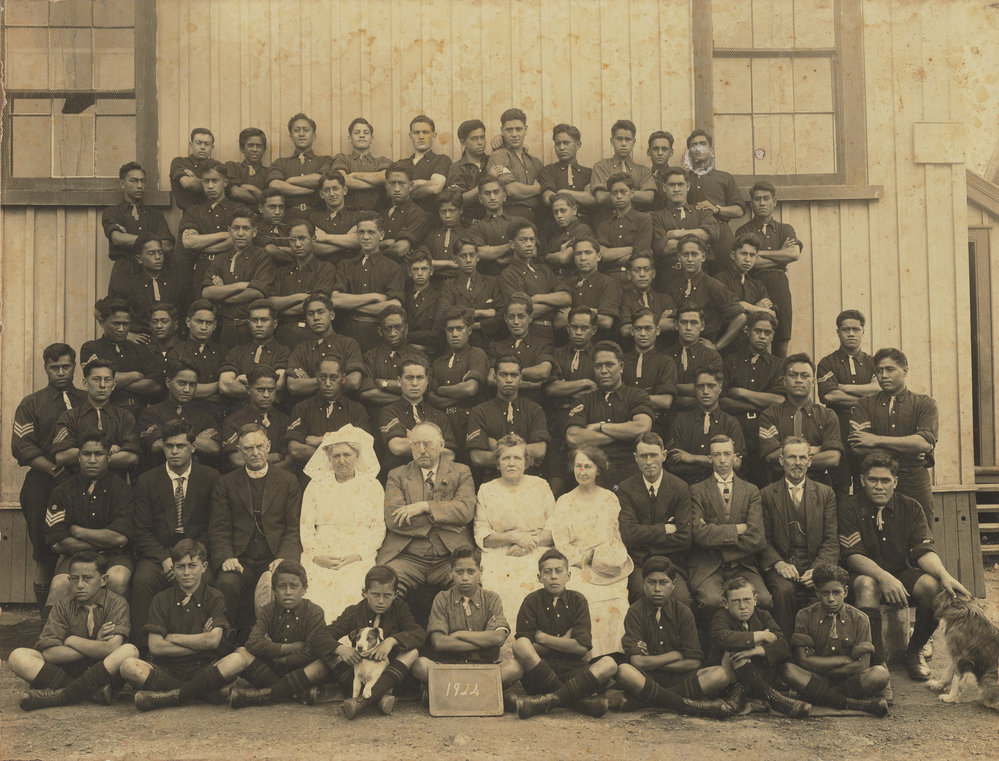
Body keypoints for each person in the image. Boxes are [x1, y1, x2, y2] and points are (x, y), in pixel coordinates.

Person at [838, 451, 969, 681]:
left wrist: (944, 575)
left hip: (900, 574)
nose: (879, 486)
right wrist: (884, 577)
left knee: (933, 586)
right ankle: (876, 661)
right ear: (861, 481)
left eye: (886, 480)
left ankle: (914, 650)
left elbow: (922, 550)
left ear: (895, 482)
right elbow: (852, 556)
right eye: (873, 480)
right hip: (861, 577)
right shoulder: (849, 507)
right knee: (868, 584)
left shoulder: (911, 507)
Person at [120, 538, 245, 711]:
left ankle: (171, 697)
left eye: (192, 565)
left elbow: (213, 642)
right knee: (128, 667)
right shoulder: (161, 599)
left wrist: (173, 637)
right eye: (180, 567)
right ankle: (204, 692)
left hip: (204, 668)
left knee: (237, 660)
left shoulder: (215, 597)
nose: (186, 572)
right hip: (168, 669)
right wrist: (201, 640)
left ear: (204, 567)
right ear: (174, 569)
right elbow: (156, 647)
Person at [131, 419, 220, 649]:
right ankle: (142, 650)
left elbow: (213, 526)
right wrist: (165, 559)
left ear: (193, 447)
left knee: (206, 580)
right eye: (169, 446)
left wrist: (190, 559)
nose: (174, 451)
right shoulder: (147, 480)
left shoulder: (210, 478)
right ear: (162, 446)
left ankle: (201, 649)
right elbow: (141, 530)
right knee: (142, 581)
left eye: (181, 446)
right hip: (160, 552)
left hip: (195, 551)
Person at [11, 343, 86, 617]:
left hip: (81, 483)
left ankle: (78, 617)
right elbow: (22, 446)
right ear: (45, 369)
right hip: (42, 484)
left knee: (80, 547)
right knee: (45, 551)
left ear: (74, 367)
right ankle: (45, 619)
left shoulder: (87, 400)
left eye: (66, 366)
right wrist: (53, 468)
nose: (61, 372)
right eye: (54, 368)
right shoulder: (32, 403)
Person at [209, 423, 303, 640]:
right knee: (226, 583)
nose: (255, 453)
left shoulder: (288, 481)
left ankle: (278, 643)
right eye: (248, 449)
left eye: (260, 446)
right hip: (241, 559)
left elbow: (293, 527)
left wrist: (284, 558)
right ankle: (228, 642)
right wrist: (226, 556)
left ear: (268, 446)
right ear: (240, 451)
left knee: (283, 582)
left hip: (274, 557)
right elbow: (219, 527)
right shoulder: (226, 483)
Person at [10, 551, 136, 711]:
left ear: (103, 580)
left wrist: (72, 640)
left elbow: (111, 648)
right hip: (69, 671)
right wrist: (95, 645)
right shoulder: (63, 606)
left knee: (129, 650)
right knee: (18, 656)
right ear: (69, 580)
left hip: (103, 673)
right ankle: (91, 692)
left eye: (87, 578)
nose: (80, 585)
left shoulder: (117, 603)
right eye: (75, 579)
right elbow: (49, 653)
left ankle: (61, 695)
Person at [614, 556, 733, 717]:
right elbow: (637, 661)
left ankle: (647, 701)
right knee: (624, 671)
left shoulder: (683, 612)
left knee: (720, 675)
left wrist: (653, 660)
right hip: (647, 678)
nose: (657, 588)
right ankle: (690, 706)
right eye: (651, 582)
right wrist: (674, 655)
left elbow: (693, 661)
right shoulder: (635, 611)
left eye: (663, 583)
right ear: (643, 584)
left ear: (674, 585)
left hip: (680, 678)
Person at [377, 422, 476, 612]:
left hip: (450, 556)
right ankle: (392, 637)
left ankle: (453, 638)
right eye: (415, 444)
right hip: (407, 556)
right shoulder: (397, 475)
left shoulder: (461, 472)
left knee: (467, 588)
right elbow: (393, 518)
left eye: (427, 444)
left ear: (441, 445)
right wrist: (444, 521)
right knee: (383, 585)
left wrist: (424, 507)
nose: (421, 450)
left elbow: (465, 510)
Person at [511, 549, 619, 719]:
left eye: (559, 571)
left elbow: (582, 648)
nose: (553, 576)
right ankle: (576, 701)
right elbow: (525, 650)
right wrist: (565, 642)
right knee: (520, 644)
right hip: (540, 674)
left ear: (568, 575)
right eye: (547, 572)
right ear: (539, 577)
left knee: (610, 663)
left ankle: (547, 701)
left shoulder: (578, 600)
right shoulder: (531, 601)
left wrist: (542, 638)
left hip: (574, 672)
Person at [549, 446, 632, 658]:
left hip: (607, 565)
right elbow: (562, 543)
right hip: (578, 566)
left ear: (598, 470)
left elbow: (616, 535)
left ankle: (615, 658)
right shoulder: (564, 501)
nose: (582, 471)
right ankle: (590, 660)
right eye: (578, 466)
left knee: (617, 601)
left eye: (588, 466)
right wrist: (585, 562)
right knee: (587, 600)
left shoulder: (609, 498)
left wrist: (611, 560)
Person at [298, 425, 385, 622]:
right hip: (321, 551)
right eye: (336, 456)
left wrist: (358, 555)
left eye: (347, 454)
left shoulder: (372, 486)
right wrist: (316, 556)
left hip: (357, 553)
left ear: (357, 456)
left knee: (352, 584)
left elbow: (378, 528)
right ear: (328, 458)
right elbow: (306, 526)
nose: (342, 461)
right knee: (316, 585)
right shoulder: (316, 485)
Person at [782, 563, 890, 716]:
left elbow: (862, 665)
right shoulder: (804, 616)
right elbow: (803, 661)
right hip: (817, 679)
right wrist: (847, 659)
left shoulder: (860, 618)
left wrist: (821, 664)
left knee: (880, 674)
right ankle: (852, 703)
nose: (831, 599)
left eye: (836, 592)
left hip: (848, 680)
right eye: (825, 593)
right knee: (789, 670)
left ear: (845, 592)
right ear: (817, 593)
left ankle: (819, 696)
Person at [758, 437, 840, 639]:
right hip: (783, 565)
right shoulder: (766, 494)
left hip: (814, 563)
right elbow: (763, 539)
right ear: (781, 460)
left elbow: (831, 540)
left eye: (802, 457)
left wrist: (817, 569)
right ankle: (785, 649)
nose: (797, 462)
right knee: (783, 591)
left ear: (810, 461)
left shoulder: (825, 493)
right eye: (791, 457)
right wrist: (778, 563)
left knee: (823, 588)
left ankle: (817, 650)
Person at [412, 547, 521, 695]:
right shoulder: (442, 598)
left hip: (485, 667)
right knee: (420, 665)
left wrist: (459, 634)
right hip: (451, 668)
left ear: (480, 572)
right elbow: (439, 642)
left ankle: (445, 693)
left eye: (471, 572)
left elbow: (498, 638)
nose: (464, 577)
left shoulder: (491, 599)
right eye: (459, 572)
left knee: (514, 668)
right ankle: (485, 694)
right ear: (451, 573)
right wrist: (483, 641)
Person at [848, 348, 939, 526]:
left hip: (913, 480)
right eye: (879, 371)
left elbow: (925, 443)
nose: (883, 375)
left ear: (904, 370)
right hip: (876, 480)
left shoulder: (924, 403)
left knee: (920, 530)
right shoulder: (864, 404)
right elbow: (858, 446)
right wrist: (909, 447)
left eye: (890, 369)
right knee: (874, 532)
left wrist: (875, 439)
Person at [322, 565, 425, 719]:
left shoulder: (400, 609)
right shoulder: (354, 611)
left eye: (387, 596)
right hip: (358, 674)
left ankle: (361, 702)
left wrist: (391, 641)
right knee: (327, 652)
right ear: (364, 592)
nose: (381, 601)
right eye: (375, 595)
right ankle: (379, 698)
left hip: (387, 677)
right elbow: (321, 635)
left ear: (395, 594)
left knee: (413, 652)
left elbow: (419, 634)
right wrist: (340, 649)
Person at [689, 435, 771, 629]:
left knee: (765, 600)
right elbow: (699, 534)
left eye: (727, 454)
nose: (723, 460)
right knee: (711, 601)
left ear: (735, 456)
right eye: (717, 455)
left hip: (743, 566)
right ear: (710, 458)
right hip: (709, 566)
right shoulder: (697, 491)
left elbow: (757, 538)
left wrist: (716, 535)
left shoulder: (751, 491)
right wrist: (738, 529)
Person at [44, 432, 133, 608]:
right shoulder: (62, 491)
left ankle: (114, 631)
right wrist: (103, 542)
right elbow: (56, 542)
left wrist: (78, 532)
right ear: (78, 457)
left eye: (99, 454)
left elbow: (121, 538)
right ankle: (52, 635)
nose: (92, 460)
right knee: (60, 584)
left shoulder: (123, 490)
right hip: (75, 557)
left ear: (109, 457)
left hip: (115, 557)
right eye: (86, 454)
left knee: (117, 578)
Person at [228, 560, 334, 707]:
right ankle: (297, 694)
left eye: (294, 586)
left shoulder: (314, 612)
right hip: (274, 671)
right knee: (241, 652)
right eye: (282, 587)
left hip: (301, 670)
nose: (288, 592)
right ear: (274, 590)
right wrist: (286, 648)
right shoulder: (268, 610)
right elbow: (253, 643)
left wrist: (283, 660)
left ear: (304, 589)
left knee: (322, 664)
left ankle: (260, 696)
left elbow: (312, 651)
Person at [473, 434, 556, 619]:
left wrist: (528, 543)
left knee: (538, 583)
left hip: (537, 550)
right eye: (506, 458)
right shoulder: (487, 490)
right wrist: (514, 538)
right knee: (504, 588)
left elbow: (554, 528)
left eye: (517, 458)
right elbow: (482, 535)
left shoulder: (540, 485)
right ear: (497, 463)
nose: (511, 463)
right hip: (500, 553)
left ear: (526, 462)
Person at [710, 577, 810, 717]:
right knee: (736, 651)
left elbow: (782, 644)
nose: (743, 606)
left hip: (756, 674)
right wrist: (759, 636)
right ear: (726, 603)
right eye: (735, 601)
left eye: (747, 600)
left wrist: (757, 650)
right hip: (729, 679)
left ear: (755, 599)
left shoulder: (763, 615)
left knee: (751, 652)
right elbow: (721, 636)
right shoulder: (721, 617)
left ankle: (737, 698)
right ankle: (777, 700)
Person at [617, 433, 693, 604]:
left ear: (664, 456)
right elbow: (628, 534)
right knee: (638, 593)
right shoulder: (625, 488)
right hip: (639, 564)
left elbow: (685, 538)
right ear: (636, 458)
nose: (649, 461)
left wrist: (644, 537)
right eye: (643, 456)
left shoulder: (680, 488)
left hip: (671, 563)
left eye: (654, 455)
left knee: (682, 599)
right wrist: (665, 529)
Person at [565, 341, 654, 487]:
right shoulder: (585, 400)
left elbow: (642, 427)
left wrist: (600, 427)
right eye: (598, 366)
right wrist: (623, 435)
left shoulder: (637, 395)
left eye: (610, 365)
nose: (604, 371)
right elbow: (573, 436)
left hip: (629, 473)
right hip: (594, 472)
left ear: (621, 367)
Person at [817, 310, 880, 502]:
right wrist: (866, 396)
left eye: (855, 329)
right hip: (838, 430)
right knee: (840, 488)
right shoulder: (827, 363)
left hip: (868, 430)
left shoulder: (873, 362)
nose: (851, 333)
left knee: (866, 485)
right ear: (838, 333)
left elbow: (879, 389)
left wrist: (844, 387)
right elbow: (829, 395)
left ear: (863, 332)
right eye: (846, 329)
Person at [735, 182, 803, 357]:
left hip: (780, 285)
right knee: (755, 338)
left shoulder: (784, 229)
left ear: (775, 202)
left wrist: (761, 254)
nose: (762, 203)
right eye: (757, 199)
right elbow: (750, 262)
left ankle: (779, 382)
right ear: (751, 203)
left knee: (781, 339)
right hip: (755, 285)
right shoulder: (744, 230)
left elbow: (794, 254)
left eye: (766, 199)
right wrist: (781, 257)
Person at [720, 312, 785, 486]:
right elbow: (723, 401)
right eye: (758, 331)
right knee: (734, 480)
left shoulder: (779, 365)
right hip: (735, 426)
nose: (762, 336)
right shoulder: (730, 362)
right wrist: (761, 403)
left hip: (764, 430)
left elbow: (779, 400)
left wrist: (742, 393)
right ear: (747, 331)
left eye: (768, 333)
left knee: (762, 481)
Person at [759, 354, 843, 485]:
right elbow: (771, 455)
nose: (799, 380)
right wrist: (815, 450)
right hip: (780, 485)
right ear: (785, 381)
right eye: (793, 375)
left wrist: (789, 457)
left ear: (813, 382)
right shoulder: (770, 415)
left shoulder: (827, 415)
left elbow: (833, 458)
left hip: (818, 485)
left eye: (805, 376)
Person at [201, 210, 278, 351]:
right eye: (236, 228)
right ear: (230, 231)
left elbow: (257, 292)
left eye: (246, 228)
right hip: (226, 328)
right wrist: (240, 285)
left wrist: (222, 295)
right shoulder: (220, 259)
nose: (240, 233)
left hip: (251, 328)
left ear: (254, 232)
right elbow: (207, 293)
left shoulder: (262, 256)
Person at [51, 358, 140, 478]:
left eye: (107, 380)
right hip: (77, 484)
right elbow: (62, 456)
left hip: (114, 486)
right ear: (85, 383)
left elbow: (131, 457)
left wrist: (84, 456)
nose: (102, 385)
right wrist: (108, 453)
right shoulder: (69, 417)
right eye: (96, 379)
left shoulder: (125, 417)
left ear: (113, 385)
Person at [332, 212, 405, 348]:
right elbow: (335, 300)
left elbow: (394, 307)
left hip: (377, 335)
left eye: (371, 232)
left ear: (381, 235)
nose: (365, 237)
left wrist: (351, 306)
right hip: (347, 333)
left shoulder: (393, 268)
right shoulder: (345, 265)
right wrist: (374, 297)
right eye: (361, 232)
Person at [466, 358, 550, 474]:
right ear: (494, 378)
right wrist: (523, 456)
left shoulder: (534, 409)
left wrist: (497, 447)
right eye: (503, 375)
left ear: (520, 379)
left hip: (527, 478)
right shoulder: (480, 412)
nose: (509, 380)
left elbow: (540, 451)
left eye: (514, 375)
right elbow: (478, 458)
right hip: (494, 480)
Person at [103, 161, 175, 293]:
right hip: (124, 270)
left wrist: (131, 239)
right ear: (123, 184)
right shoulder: (113, 212)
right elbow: (118, 238)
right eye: (134, 181)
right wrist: (153, 242)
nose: (140, 186)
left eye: (142, 181)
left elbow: (167, 245)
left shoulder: (155, 215)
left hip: (151, 272)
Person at [377, 354, 457, 472]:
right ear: (399, 381)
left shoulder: (438, 415)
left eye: (419, 377)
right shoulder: (390, 412)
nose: (414, 383)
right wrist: (433, 444)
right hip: (402, 476)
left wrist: (412, 439)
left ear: (427, 381)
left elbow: (450, 455)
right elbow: (397, 447)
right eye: (409, 378)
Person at [664, 236, 745, 351]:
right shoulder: (673, 287)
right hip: (678, 349)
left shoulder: (713, 286)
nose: (690, 259)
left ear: (703, 257)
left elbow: (740, 317)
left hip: (703, 351)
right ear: (679, 257)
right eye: (685, 255)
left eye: (694, 254)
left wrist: (717, 346)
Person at [285, 357, 371, 467]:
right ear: (316, 377)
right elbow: (296, 450)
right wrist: (342, 450)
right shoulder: (303, 408)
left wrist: (322, 440)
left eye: (334, 378)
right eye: (322, 377)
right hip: (311, 478)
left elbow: (361, 450)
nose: (327, 383)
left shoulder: (356, 410)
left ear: (343, 379)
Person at [80, 298, 160, 413]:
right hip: (107, 412)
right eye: (116, 324)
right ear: (102, 323)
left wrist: (113, 382)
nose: (121, 329)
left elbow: (154, 385)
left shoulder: (140, 349)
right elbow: (97, 381)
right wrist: (134, 375)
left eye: (125, 324)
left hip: (140, 413)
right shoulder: (91, 348)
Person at [666, 370, 745, 485]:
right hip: (687, 487)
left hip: (720, 487)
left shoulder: (730, 422)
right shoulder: (681, 420)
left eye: (711, 386)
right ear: (694, 388)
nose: (705, 391)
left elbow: (736, 463)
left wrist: (694, 458)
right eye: (700, 386)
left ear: (720, 388)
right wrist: (716, 463)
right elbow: (674, 462)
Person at [137, 360, 220, 470]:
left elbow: (214, 448)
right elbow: (156, 445)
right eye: (181, 383)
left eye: (192, 385)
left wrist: (168, 438)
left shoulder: (204, 416)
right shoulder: (151, 413)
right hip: (161, 475)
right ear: (168, 383)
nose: (187, 389)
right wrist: (195, 439)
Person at [682, 130, 746, 269]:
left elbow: (739, 210)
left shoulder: (724, 178)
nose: (698, 148)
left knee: (723, 277)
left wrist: (717, 209)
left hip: (720, 234)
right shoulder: (683, 179)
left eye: (703, 144)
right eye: (694, 145)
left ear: (711, 149)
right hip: (693, 234)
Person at [178, 161, 246, 291]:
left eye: (215, 181)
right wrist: (224, 235)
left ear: (225, 182)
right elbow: (188, 242)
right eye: (205, 181)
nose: (210, 186)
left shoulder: (238, 209)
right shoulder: (194, 211)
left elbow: (237, 240)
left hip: (232, 266)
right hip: (203, 268)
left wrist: (201, 246)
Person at [499, 220, 571, 342]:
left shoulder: (543, 270)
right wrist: (554, 304)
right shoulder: (509, 274)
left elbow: (566, 297)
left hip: (550, 332)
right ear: (512, 244)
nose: (529, 244)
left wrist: (537, 298)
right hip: (529, 333)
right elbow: (521, 311)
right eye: (523, 240)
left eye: (532, 240)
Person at [285, 291, 365, 400]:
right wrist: (336, 379)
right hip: (310, 409)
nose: (316, 317)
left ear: (331, 315)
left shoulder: (348, 344)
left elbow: (354, 382)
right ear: (306, 319)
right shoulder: (301, 349)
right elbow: (293, 386)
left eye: (320, 312)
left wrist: (311, 380)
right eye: (310, 313)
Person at [427, 307, 489, 446]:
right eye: (450, 330)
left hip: (470, 422)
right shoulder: (438, 362)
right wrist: (459, 393)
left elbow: (470, 389)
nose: (455, 334)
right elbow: (431, 398)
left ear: (470, 330)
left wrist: (441, 390)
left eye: (460, 329)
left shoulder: (477, 355)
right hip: (444, 424)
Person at [270, 219, 337, 347]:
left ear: (313, 240)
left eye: (302, 238)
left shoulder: (326, 268)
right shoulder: (282, 271)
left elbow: (317, 305)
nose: (297, 244)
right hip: (281, 335)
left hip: (311, 335)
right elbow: (271, 304)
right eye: (292, 240)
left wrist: (282, 309)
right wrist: (300, 297)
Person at [650, 167, 720, 287]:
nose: (676, 189)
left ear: (687, 186)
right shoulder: (656, 217)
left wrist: (674, 234)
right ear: (664, 187)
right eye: (672, 185)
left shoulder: (701, 212)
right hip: (669, 277)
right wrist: (698, 238)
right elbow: (663, 249)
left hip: (701, 274)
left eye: (680, 184)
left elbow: (712, 234)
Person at [107, 233, 183, 334]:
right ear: (139, 259)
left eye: (160, 252)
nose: (157, 257)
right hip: (141, 343)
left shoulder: (175, 282)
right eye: (151, 253)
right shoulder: (128, 285)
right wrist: (127, 335)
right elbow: (103, 312)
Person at [220, 366, 291, 470]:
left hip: (278, 479)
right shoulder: (233, 421)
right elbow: (237, 460)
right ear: (248, 390)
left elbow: (289, 460)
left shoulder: (284, 420)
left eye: (271, 390)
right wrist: (275, 457)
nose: (266, 395)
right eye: (260, 390)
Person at [433, 239, 503, 346]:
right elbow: (443, 314)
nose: (468, 260)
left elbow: (502, 315)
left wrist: (478, 325)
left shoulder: (492, 282)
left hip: (488, 345)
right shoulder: (449, 285)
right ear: (455, 260)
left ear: (478, 257)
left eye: (472, 255)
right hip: (458, 347)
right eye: (463, 256)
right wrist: (480, 313)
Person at [486, 293, 555, 400]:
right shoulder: (495, 347)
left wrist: (504, 374)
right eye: (511, 317)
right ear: (505, 319)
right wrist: (531, 385)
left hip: (533, 407)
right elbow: (491, 379)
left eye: (521, 316)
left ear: (530, 318)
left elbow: (543, 372)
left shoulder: (542, 344)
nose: (516, 322)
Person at [217, 300, 289, 400]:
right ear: (249, 323)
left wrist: (242, 379)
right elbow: (225, 385)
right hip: (239, 410)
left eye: (264, 320)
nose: (259, 324)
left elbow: (280, 383)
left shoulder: (282, 352)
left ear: (275, 323)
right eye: (254, 320)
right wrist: (263, 388)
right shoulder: (236, 351)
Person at [623, 308, 678, 434]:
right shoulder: (622, 360)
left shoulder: (666, 362)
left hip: (656, 426)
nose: (643, 334)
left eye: (648, 328)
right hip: (624, 423)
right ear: (632, 331)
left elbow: (665, 401)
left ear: (657, 331)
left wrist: (628, 398)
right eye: (638, 329)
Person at [267, 112, 333, 214]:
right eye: (297, 130)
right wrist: (312, 191)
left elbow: (321, 180)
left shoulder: (324, 160)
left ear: (314, 136)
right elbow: (275, 185)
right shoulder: (280, 163)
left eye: (306, 130)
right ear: (291, 136)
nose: (301, 134)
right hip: (289, 215)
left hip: (318, 215)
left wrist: (290, 180)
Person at [486, 107, 544, 223]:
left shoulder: (535, 161)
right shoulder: (499, 156)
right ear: (502, 130)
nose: (514, 134)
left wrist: (530, 191)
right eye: (509, 130)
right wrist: (536, 189)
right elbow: (510, 190)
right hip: (510, 217)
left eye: (518, 129)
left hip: (537, 219)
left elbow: (544, 190)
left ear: (526, 130)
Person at [594, 173, 654, 279]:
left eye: (623, 192)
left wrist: (611, 254)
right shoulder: (604, 223)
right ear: (610, 196)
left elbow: (641, 255)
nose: (619, 196)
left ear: (631, 193)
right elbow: (602, 255)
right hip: (609, 277)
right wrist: (634, 248)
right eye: (614, 193)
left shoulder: (643, 219)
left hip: (636, 276)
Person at [666, 303, 724, 411]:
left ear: (702, 326)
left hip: (700, 415)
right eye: (684, 322)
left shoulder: (711, 356)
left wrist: (670, 388)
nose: (688, 328)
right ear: (676, 325)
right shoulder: (665, 355)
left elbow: (710, 389)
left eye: (693, 323)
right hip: (668, 415)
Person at [359, 305, 413, 417]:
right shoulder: (369, 357)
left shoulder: (417, 357)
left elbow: (424, 389)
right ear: (380, 331)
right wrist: (406, 399)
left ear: (406, 329)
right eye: (388, 328)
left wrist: (383, 384)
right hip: (378, 418)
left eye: (398, 327)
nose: (393, 333)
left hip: (409, 418)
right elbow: (367, 393)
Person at [589, 120, 656, 208]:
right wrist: (633, 193)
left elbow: (649, 197)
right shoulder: (602, 166)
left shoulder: (643, 171)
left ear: (634, 142)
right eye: (619, 139)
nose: (623, 144)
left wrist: (615, 192)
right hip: (608, 218)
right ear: (612, 141)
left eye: (628, 139)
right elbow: (601, 197)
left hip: (635, 218)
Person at [469, 175, 526, 276]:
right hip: (489, 279)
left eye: (496, 192)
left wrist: (509, 258)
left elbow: (533, 250)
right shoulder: (477, 226)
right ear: (480, 199)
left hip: (519, 276)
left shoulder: (519, 222)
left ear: (504, 196)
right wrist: (514, 246)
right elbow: (480, 253)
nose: (492, 197)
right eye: (487, 193)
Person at [332, 117, 393, 211]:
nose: (361, 136)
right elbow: (340, 179)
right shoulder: (342, 158)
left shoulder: (382, 161)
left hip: (376, 215)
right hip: (349, 215)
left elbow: (386, 177)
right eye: (357, 132)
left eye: (366, 132)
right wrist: (377, 184)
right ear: (350, 138)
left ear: (371, 138)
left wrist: (355, 175)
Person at [539, 124, 595, 223]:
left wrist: (563, 192)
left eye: (566, 143)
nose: (561, 148)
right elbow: (548, 199)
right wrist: (581, 197)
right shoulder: (548, 171)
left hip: (584, 224)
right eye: (558, 144)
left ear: (578, 145)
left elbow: (592, 200)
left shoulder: (588, 173)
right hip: (556, 226)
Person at [565, 237, 622, 334]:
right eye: (578, 254)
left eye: (588, 253)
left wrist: (572, 313)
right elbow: (558, 321)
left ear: (598, 256)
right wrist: (594, 312)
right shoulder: (569, 284)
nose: (583, 258)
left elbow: (606, 321)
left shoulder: (608, 283)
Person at [618, 251, 676, 342]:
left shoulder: (665, 299)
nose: (642, 274)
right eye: (637, 270)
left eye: (646, 269)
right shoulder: (623, 299)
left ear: (653, 273)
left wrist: (637, 325)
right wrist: (659, 320)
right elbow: (625, 330)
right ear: (629, 275)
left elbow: (672, 324)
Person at [382, 162, 432, 260]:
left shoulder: (417, 214)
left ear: (411, 186)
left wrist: (374, 253)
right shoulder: (383, 212)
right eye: (392, 183)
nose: (396, 189)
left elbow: (400, 249)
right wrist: (387, 243)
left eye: (401, 183)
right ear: (386, 186)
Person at [404, 114, 452, 215]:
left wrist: (405, 190)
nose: (421, 136)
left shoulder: (441, 160)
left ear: (434, 136)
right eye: (416, 132)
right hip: (405, 219)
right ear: (410, 136)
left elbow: (435, 187)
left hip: (431, 220)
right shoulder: (402, 164)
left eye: (425, 132)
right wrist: (422, 183)